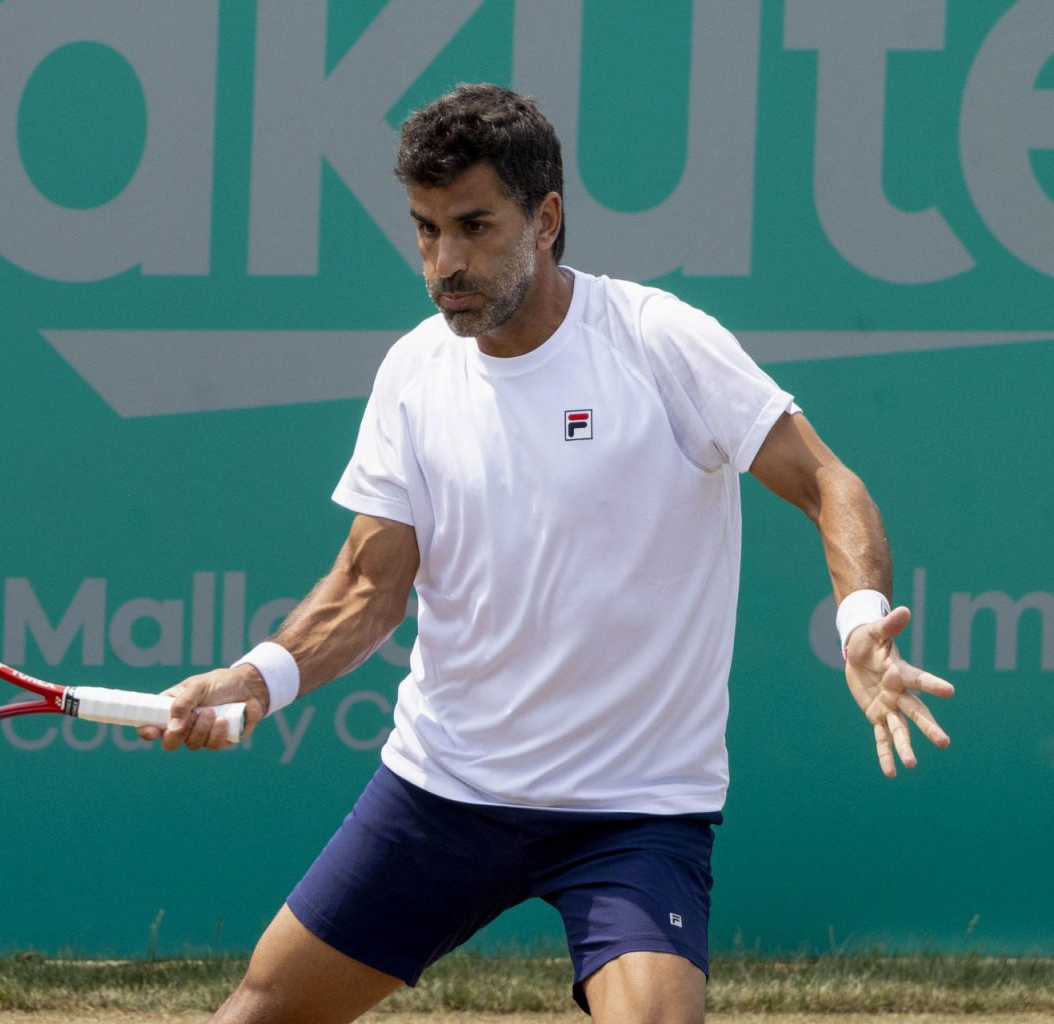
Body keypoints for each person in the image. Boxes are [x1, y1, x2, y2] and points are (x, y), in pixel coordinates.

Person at [136, 83, 954, 1024]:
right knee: (257, 1015)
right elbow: (368, 586)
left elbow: (826, 482)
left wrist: (860, 624)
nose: (447, 261)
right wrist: (253, 678)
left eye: (475, 227)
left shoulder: (657, 342)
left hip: (634, 808)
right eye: (426, 230)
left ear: (547, 218)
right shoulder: (413, 372)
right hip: (445, 787)